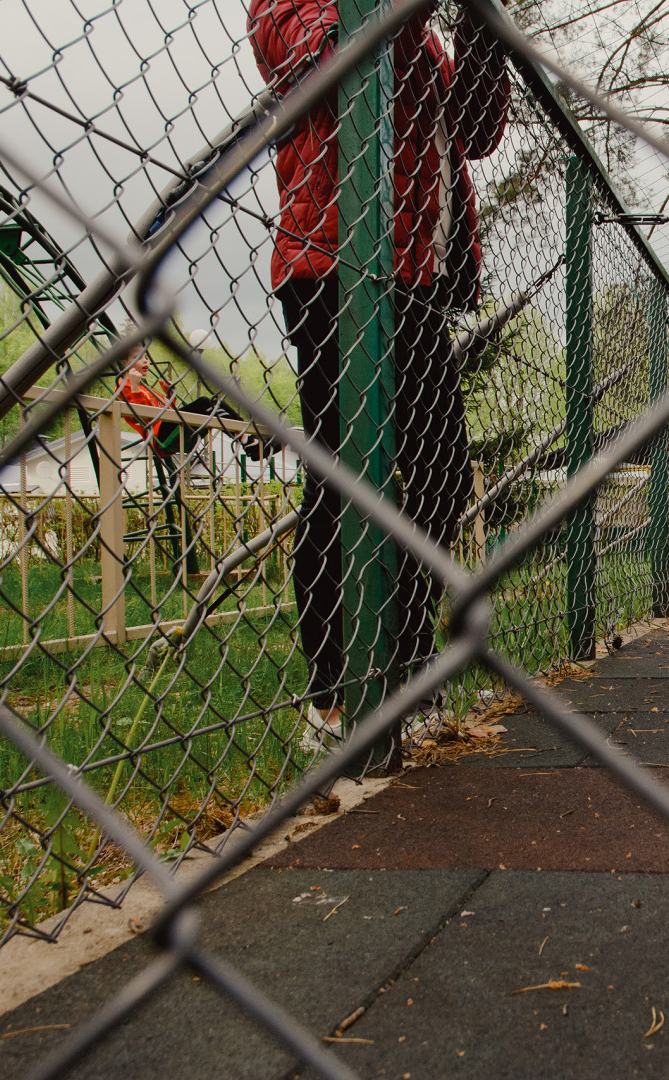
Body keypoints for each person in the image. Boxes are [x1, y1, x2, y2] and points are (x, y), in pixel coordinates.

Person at [250, 0, 510, 753]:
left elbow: (476, 130)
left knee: (440, 475)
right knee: (342, 471)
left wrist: (479, 32)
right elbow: (326, 61)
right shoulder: (291, 5)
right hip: (328, 265)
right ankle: (332, 698)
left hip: (412, 276)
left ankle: (400, 667)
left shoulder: (428, 39)